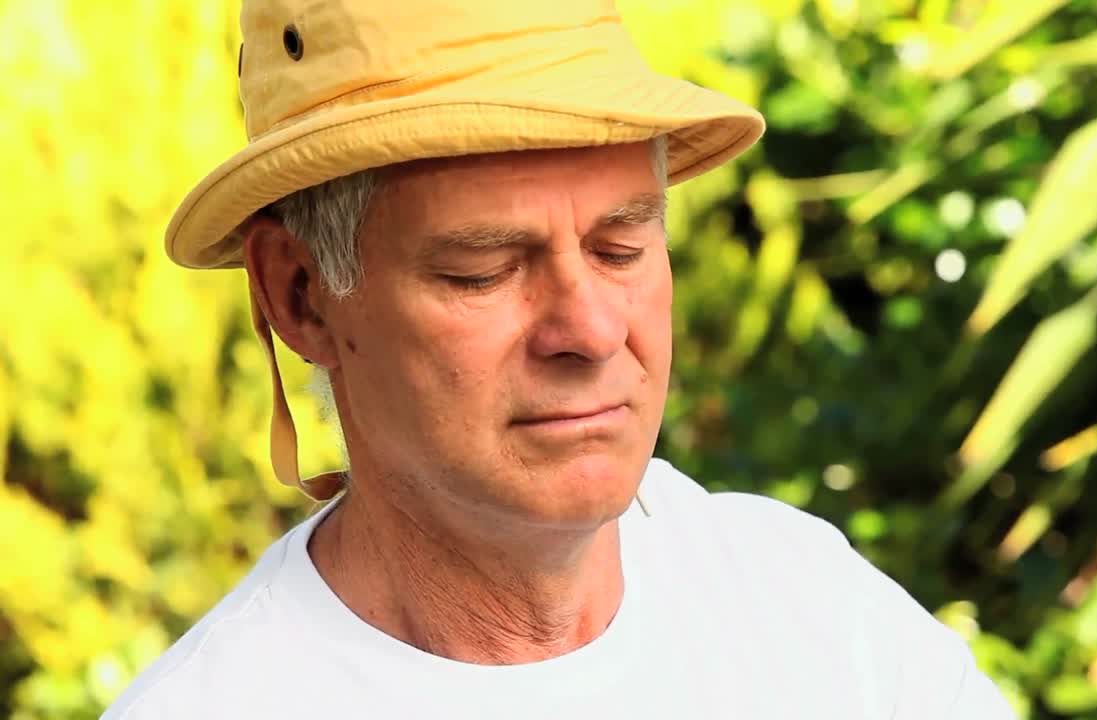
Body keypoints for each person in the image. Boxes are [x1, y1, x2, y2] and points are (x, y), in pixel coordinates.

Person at [103, 0, 1013, 717]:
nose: (590, 329)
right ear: (299, 296)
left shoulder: (814, 614)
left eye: (622, 247)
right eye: (483, 268)